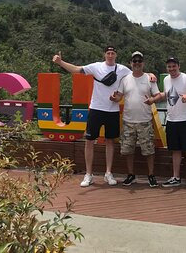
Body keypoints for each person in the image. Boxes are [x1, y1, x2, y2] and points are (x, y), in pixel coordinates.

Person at [52, 46, 131, 187]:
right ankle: (88, 174)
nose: (110, 55)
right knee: (89, 141)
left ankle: (108, 173)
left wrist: (150, 75)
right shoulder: (96, 67)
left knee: (110, 141)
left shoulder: (123, 69)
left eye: (113, 53)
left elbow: (136, 75)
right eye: (108, 53)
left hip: (112, 110)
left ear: (116, 55)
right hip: (96, 109)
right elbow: (76, 69)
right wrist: (60, 62)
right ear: (104, 54)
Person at [110, 51, 161, 188]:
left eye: (139, 61)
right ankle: (131, 174)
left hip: (145, 121)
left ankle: (151, 175)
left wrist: (152, 100)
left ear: (143, 63)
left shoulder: (150, 79)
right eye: (134, 61)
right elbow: (119, 96)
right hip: (128, 121)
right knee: (128, 150)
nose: (137, 63)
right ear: (130, 63)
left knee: (149, 150)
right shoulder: (125, 79)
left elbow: (158, 95)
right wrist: (114, 98)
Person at [152, 56, 186, 190]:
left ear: (178, 66)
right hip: (171, 120)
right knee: (175, 150)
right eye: (169, 66)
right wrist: (154, 99)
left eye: (174, 66)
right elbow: (168, 94)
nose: (171, 69)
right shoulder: (166, 79)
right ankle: (176, 177)